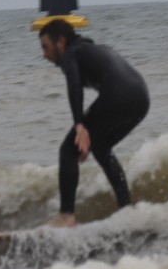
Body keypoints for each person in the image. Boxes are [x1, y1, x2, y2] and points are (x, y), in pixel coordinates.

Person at [37, 19, 149, 227]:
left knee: (68, 149)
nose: (44, 55)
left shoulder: (71, 53)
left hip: (118, 96)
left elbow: (74, 86)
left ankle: (66, 216)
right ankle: (127, 210)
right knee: (101, 147)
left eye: (46, 47)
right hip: (142, 99)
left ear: (61, 42)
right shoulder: (92, 49)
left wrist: (79, 125)